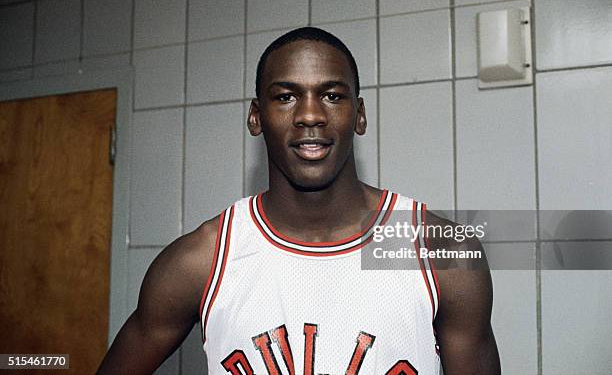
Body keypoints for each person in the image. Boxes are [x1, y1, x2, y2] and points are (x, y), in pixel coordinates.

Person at [97, 27, 500, 374]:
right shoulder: (202, 260)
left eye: (332, 96)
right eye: (286, 97)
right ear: (256, 117)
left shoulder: (440, 250)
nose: (310, 115)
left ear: (360, 115)